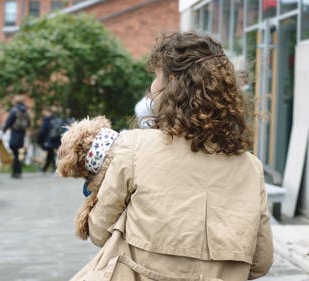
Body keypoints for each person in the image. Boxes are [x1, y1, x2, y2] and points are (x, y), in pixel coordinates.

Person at [70, 32, 273, 281]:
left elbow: (99, 232)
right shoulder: (251, 168)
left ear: (172, 83)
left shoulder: (134, 147)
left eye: (156, 76)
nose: (152, 87)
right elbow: (261, 262)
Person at [3, 96, 30, 179]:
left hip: (15, 133)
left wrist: (4, 129)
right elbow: (29, 123)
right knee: (17, 153)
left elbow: (9, 121)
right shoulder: (26, 111)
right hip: (22, 134)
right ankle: (17, 171)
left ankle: (16, 172)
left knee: (15, 152)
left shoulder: (14, 110)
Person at [37, 107, 64, 173]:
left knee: (51, 154)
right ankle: (44, 169)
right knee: (50, 153)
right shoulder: (57, 119)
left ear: (47, 112)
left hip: (48, 140)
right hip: (56, 139)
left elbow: (43, 131)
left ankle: (56, 169)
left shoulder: (47, 120)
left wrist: (39, 140)